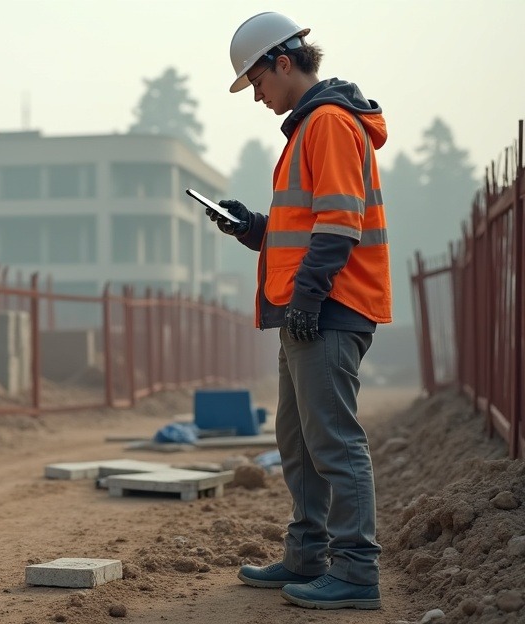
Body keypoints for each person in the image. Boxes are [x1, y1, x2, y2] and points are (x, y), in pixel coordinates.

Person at [206, 12, 391, 611]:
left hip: (328, 308)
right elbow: (301, 228)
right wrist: (252, 227)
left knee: (333, 442)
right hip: (306, 308)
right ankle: (309, 554)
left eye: (256, 82)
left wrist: (309, 297)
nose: (256, 96)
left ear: (283, 62)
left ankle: (356, 571)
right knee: (298, 440)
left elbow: (340, 222)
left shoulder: (330, 124)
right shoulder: (308, 129)